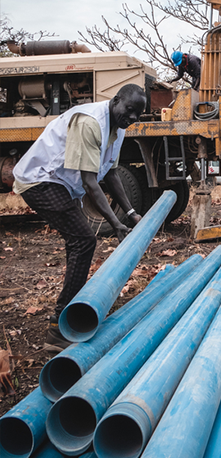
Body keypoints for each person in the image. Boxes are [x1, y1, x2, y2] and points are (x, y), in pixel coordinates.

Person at [12, 84, 146, 352]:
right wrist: (115, 223)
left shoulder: (117, 130)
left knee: (78, 242)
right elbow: (89, 182)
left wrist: (131, 214)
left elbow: (110, 174)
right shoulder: (91, 123)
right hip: (41, 180)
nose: (132, 118)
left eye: (137, 116)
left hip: (60, 183)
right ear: (116, 100)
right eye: (129, 110)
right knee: (84, 240)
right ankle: (59, 329)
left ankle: (68, 315)